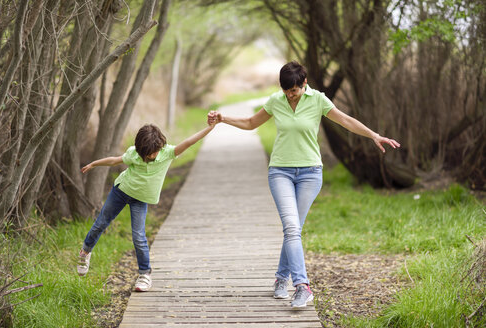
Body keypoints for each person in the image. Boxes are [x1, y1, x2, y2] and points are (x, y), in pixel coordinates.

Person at [208, 61, 400, 308]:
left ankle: (280, 279)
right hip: (280, 172)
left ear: (304, 84)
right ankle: (302, 286)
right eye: (286, 90)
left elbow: (346, 121)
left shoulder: (318, 100)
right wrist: (223, 118)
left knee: (293, 229)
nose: (290, 94)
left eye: (295, 90)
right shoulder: (276, 101)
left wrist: (374, 135)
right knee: (291, 227)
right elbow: (250, 123)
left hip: (310, 173)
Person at [77, 122, 216, 292]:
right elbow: (115, 161)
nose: (152, 156)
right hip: (121, 191)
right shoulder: (134, 154)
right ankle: (85, 252)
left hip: (140, 199)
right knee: (101, 223)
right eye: (148, 153)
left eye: (154, 152)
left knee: (138, 236)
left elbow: (189, 142)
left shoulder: (168, 153)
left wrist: (210, 128)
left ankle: (144, 274)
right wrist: (94, 164)